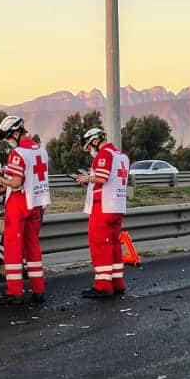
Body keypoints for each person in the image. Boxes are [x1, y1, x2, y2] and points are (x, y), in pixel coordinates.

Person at [0, 115, 51, 306]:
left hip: (19, 202)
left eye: (8, 137)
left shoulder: (18, 153)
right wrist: (7, 170)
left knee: (13, 248)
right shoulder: (41, 150)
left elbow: (16, 183)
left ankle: (15, 292)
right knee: (33, 247)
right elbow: (29, 171)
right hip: (37, 203)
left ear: (15, 133)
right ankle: (39, 290)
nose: (8, 141)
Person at [74, 127, 130, 299]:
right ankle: (117, 282)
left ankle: (103, 286)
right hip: (118, 205)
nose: (89, 150)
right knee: (114, 245)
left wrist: (86, 178)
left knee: (100, 245)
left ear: (95, 141)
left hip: (103, 206)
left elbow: (102, 178)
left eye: (89, 147)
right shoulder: (122, 156)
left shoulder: (104, 154)